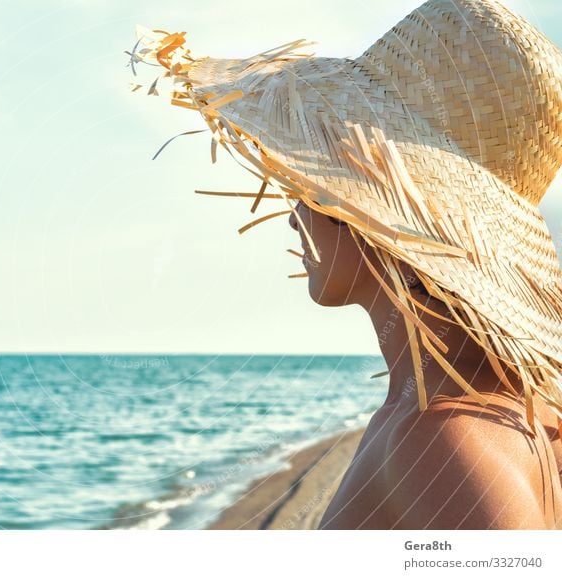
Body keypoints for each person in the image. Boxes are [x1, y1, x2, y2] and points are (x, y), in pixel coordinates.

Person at [129, 0, 562, 528]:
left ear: (370, 211)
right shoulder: (490, 412)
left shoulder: (441, 438)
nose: (294, 217)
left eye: (313, 187)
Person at [289, 200, 562, 529]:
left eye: (309, 198)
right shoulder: (522, 403)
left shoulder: (440, 433)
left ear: (395, 227)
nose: (294, 219)